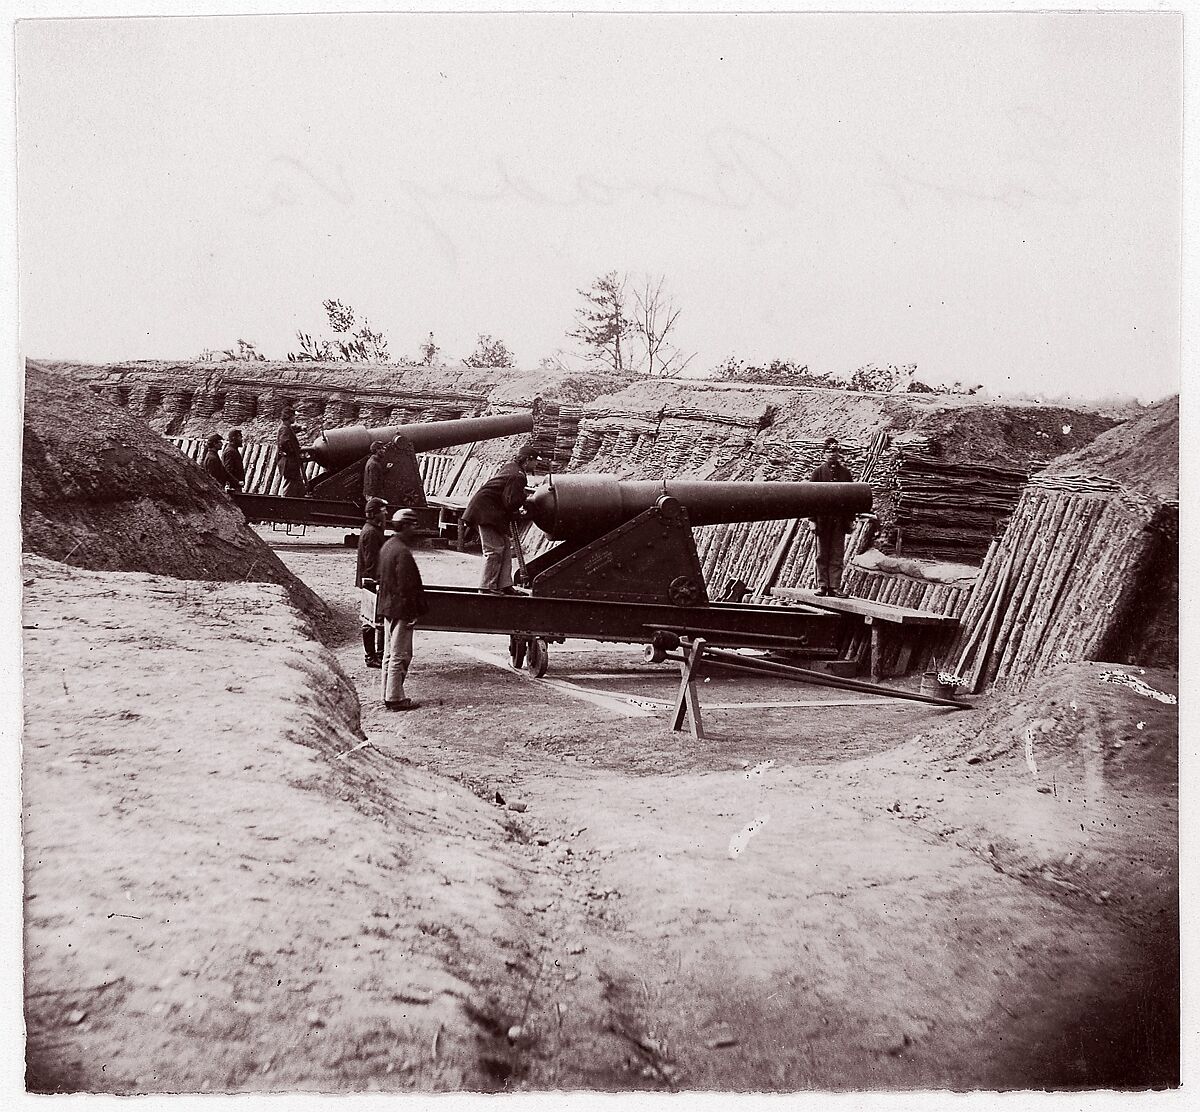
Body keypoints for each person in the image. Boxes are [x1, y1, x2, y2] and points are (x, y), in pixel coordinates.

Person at [462, 444, 542, 595]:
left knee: (504, 546)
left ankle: (504, 585)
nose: (536, 464)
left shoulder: (512, 467)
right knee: (493, 550)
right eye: (535, 461)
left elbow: (507, 496)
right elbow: (511, 502)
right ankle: (487, 588)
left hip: (489, 511)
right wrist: (525, 504)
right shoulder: (518, 476)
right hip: (486, 513)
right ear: (527, 460)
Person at [377, 508, 428, 711]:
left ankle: (387, 693)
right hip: (401, 610)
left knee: (389, 655)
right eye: (413, 525)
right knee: (400, 654)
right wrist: (413, 613)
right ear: (405, 526)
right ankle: (395, 697)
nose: (415, 529)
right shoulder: (403, 552)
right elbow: (407, 587)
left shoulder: (388, 546)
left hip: (389, 607)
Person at [807, 436, 855, 597]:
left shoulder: (845, 474)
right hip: (822, 521)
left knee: (837, 554)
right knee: (822, 554)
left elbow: (851, 499)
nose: (832, 455)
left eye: (835, 451)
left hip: (839, 521)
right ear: (824, 454)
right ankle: (822, 585)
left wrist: (850, 520)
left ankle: (834, 586)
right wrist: (812, 520)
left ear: (838, 453)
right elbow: (810, 499)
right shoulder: (818, 473)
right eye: (829, 451)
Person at [356, 497, 389, 668]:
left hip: (371, 582)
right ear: (375, 514)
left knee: (374, 620)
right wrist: (375, 583)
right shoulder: (371, 533)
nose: (386, 514)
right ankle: (373, 657)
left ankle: (377, 655)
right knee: (373, 620)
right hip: (372, 583)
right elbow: (370, 563)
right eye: (384, 511)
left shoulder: (372, 530)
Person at [275, 405, 308, 498]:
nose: (295, 418)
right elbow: (284, 443)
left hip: (290, 462)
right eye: (294, 416)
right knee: (290, 485)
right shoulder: (284, 428)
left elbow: (292, 430)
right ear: (289, 417)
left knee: (298, 485)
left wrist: (301, 428)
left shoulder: (286, 427)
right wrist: (294, 451)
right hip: (289, 463)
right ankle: (284, 504)